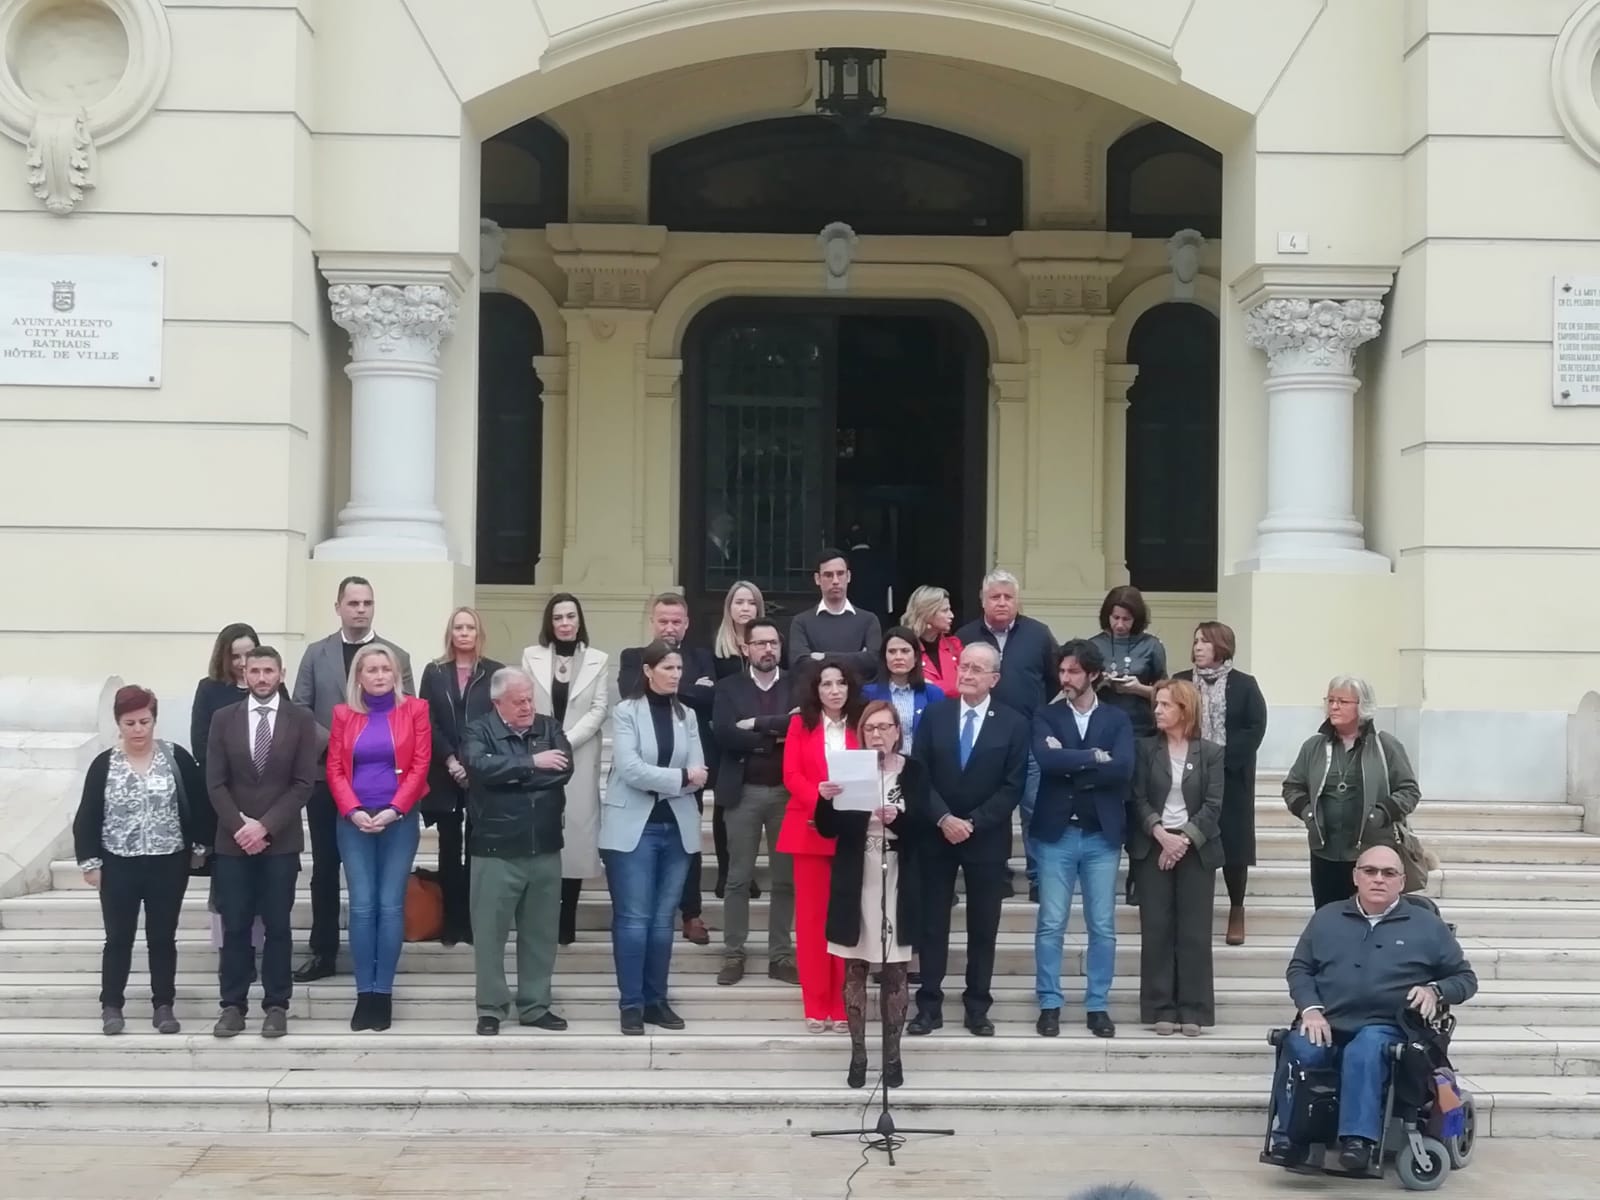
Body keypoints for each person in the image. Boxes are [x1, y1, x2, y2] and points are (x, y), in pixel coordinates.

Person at [1268, 846, 1477, 1172]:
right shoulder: (1327, 917)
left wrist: (1435, 990)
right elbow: (1300, 969)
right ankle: (1291, 1138)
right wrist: (1310, 1008)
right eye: (1370, 871)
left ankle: (1358, 1141)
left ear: (1402, 881)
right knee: (1301, 1047)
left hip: (1389, 1023)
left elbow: (1465, 979)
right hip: (1328, 1018)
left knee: (1365, 1049)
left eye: (1388, 873)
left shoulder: (1427, 926)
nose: (1378, 879)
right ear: (1355, 876)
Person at [290, 576, 414, 982]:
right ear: (338, 606)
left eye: (367, 603)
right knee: (326, 867)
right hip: (329, 779)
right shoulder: (315, 653)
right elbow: (299, 709)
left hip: (385, 786)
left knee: (379, 880)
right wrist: (340, 741)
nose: (360, 609)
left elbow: (408, 716)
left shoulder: (396, 655)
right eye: (353, 603)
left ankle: (379, 954)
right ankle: (324, 951)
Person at [74, 685, 208, 1037]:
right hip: (119, 862)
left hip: (167, 862)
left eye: (144, 721)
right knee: (118, 936)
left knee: (162, 936)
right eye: (129, 722)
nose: (137, 730)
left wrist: (198, 847)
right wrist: (91, 863)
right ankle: (112, 1005)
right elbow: (88, 815)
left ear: (154, 721)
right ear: (118, 723)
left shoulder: (176, 758)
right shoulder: (104, 764)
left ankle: (163, 1005)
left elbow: (199, 803)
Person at [909, 643, 1028, 1038]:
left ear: (994, 678)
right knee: (932, 923)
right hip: (936, 833)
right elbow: (919, 774)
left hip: (985, 838)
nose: (967, 673)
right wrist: (943, 818)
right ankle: (929, 1005)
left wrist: (972, 822)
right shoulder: (936, 714)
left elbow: (1012, 787)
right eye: (964, 666)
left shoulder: (1012, 722)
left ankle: (978, 1005)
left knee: (983, 925)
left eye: (978, 669)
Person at [205, 647, 319, 1040]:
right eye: (255, 670)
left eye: (269, 670)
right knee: (234, 925)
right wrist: (241, 826)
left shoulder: (301, 719)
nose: (262, 677)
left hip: (281, 841)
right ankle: (232, 1006)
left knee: (278, 926)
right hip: (233, 842)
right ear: (244, 673)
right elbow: (215, 781)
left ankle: (276, 1005)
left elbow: (304, 783)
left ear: (281, 673)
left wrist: (266, 826)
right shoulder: (223, 719)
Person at [815, 701, 929, 1089]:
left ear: (898, 731)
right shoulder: (849, 768)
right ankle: (859, 1053)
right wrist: (826, 797)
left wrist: (900, 820)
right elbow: (828, 829)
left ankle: (893, 1056)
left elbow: (926, 829)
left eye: (884, 727)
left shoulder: (914, 771)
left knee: (896, 968)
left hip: (898, 874)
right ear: (861, 733)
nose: (877, 734)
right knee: (856, 967)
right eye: (870, 728)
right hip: (857, 874)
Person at [461, 667, 574, 1036]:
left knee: (540, 933)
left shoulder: (550, 728)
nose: (527, 707)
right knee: (490, 934)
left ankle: (536, 1005)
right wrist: (531, 763)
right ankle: (491, 1008)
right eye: (518, 701)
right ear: (498, 703)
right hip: (495, 847)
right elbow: (479, 769)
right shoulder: (478, 730)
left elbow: (563, 770)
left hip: (543, 846)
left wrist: (508, 774)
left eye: (530, 699)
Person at [1030, 638, 1135, 1039]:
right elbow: (1047, 761)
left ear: (1092, 674)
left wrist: (1071, 759)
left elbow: (1123, 768)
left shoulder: (1117, 719)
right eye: (1062, 671)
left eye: (1073, 671)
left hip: (1100, 834)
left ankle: (1097, 1004)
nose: (1065, 678)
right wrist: (1094, 756)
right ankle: (1050, 1002)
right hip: (1056, 833)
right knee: (1051, 922)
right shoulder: (1046, 715)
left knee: (1103, 925)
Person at [601, 639, 706, 1035]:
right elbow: (631, 769)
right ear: (647, 671)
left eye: (679, 669)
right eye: (668, 668)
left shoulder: (688, 716)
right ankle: (630, 1003)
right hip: (633, 827)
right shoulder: (626, 711)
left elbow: (701, 770)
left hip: (676, 826)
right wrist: (679, 779)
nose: (676, 675)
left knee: (663, 921)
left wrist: (677, 780)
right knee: (633, 919)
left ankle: (656, 1000)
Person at [325, 643, 431, 1032]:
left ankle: (382, 993)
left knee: (389, 906)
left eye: (386, 668)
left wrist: (395, 810)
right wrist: (353, 810)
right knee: (362, 907)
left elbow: (421, 764)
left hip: (398, 819)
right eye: (371, 669)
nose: (380, 675)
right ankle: (363, 993)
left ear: (396, 673)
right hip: (353, 821)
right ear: (359, 676)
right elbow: (335, 767)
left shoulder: (415, 710)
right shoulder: (343, 714)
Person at [618, 592, 718, 946]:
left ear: (687, 623)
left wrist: (674, 688)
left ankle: (691, 914)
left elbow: (710, 698)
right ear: (652, 621)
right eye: (663, 620)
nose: (670, 627)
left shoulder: (703, 657)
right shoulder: (634, 657)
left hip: (690, 770)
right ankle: (651, 913)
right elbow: (629, 691)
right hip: (645, 772)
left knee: (689, 844)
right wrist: (691, 688)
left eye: (677, 621)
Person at [954, 569, 1058, 900]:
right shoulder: (966, 635)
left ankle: (1039, 876)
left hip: (1027, 734)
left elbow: (1054, 678)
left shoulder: (1039, 634)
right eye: (995, 597)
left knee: (1033, 806)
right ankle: (994, 873)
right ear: (982, 601)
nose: (1002, 603)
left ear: (1017, 601)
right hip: (981, 738)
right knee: (989, 807)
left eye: (1008, 597)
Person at [1129, 679, 1224, 1037]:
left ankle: (1194, 1009)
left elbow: (1214, 805)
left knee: (1195, 932)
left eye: (1165, 705)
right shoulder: (1145, 749)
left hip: (1196, 849)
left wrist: (1182, 840)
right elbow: (1137, 798)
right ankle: (1160, 1008)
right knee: (1156, 929)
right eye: (1157, 705)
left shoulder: (1211, 753)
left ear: (1184, 710)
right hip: (1153, 846)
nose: (1157, 711)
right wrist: (1161, 835)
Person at [1283, 676, 1421, 911]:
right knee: (1328, 916)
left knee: (1367, 917)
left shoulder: (1385, 746)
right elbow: (1292, 786)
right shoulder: (1313, 747)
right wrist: (1308, 814)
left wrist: (1381, 814)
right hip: (1325, 852)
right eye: (1331, 700)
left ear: (1362, 706)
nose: (1334, 707)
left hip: (1371, 853)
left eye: (1343, 701)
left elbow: (1409, 790)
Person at [710, 617, 797, 987]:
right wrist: (772, 735)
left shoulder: (797, 684)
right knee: (738, 878)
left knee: (785, 880)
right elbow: (725, 733)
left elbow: (801, 727)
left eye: (773, 643)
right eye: (760, 643)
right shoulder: (729, 687)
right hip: (742, 792)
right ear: (746, 649)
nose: (768, 650)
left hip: (786, 793)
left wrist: (755, 724)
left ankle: (781, 955)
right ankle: (734, 953)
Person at [779, 659, 862, 1030]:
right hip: (809, 828)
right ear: (815, 690)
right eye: (826, 684)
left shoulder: (862, 723)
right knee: (812, 922)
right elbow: (791, 774)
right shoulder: (801, 723)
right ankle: (815, 1003)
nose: (834, 690)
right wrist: (819, 798)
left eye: (840, 683)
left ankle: (843, 1004)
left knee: (845, 921)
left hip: (851, 834)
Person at [522, 593, 608, 946]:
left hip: (579, 753)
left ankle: (567, 918)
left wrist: (566, 740)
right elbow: (524, 700)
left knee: (575, 835)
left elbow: (600, 708)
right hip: (539, 753)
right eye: (558, 617)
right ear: (550, 622)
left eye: (571, 616)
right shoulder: (532, 655)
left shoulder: (598, 659)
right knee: (540, 830)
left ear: (579, 620)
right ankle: (540, 913)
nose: (565, 623)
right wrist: (546, 742)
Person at [1174, 621, 1267, 945]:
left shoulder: (1244, 684)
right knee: (1191, 840)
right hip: (1187, 774)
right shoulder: (1182, 681)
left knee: (1233, 846)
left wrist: (1222, 760)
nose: (1197, 646)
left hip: (1231, 777)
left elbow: (1255, 726)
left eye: (1204, 641)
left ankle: (1236, 909)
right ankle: (1191, 911)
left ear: (1221, 645)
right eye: (1195, 640)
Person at [418, 607, 504, 946]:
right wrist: (452, 759)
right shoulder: (435, 671)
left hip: (481, 773)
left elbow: (497, 722)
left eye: (470, 627)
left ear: (479, 633)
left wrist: (472, 762)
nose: (464, 633)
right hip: (444, 773)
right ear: (450, 633)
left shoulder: (494, 671)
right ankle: (451, 922)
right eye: (458, 627)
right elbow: (427, 720)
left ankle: (474, 922)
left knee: (479, 851)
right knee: (449, 851)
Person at [710, 580, 769, 898]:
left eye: (750, 603)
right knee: (726, 806)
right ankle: (726, 872)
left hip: (760, 734)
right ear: (729, 608)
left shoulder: (767, 643)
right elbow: (708, 691)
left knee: (756, 806)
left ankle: (748, 873)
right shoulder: (717, 648)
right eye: (739, 602)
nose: (745, 608)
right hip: (727, 737)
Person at [788, 547, 883, 683]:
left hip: (859, 699)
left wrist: (823, 656)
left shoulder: (868, 620)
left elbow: (874, 662)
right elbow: (800, 665)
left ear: (848, 576)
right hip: (815, 699)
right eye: (828, 575)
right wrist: (858, 657)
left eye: (840, 574)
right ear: (817, 579)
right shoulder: (801, 622)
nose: (835, 581)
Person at [1089, 585, 1167, 739]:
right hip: (1102, 727)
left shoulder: (1151, 645)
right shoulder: (1094, 645)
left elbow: (1166, 693)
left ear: (1136, 618)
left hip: (1141, 730)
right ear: (1107, 615)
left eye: (1126, 619)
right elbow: (1078, 690)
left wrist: (1138, 689)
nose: (1119, 625)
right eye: (1115, 618)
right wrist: (1099, 683)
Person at [862, 626, 941, 754]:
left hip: (921, 766)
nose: (898, 657)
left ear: (915, 657)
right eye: (892, 652)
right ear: (884, 657)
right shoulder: (869, 694)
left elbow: (940, 736)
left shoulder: (933, 693)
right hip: (883, 765)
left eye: (905, 651)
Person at [900, 585, 962, 698]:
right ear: (927, 613)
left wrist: (932, 686)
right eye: (945, 611)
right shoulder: (904, 649)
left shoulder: (954, 645)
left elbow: (966, 685)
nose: (951, 615)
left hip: (954, 711)